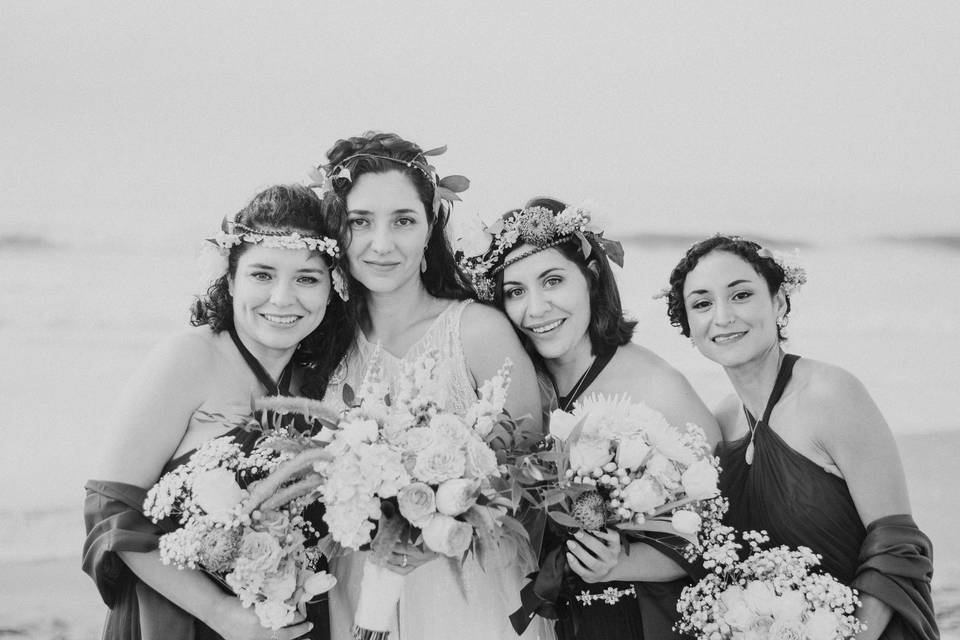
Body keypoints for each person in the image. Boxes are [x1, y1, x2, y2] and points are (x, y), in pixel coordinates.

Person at [82, 185, 351, 640]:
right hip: (179, 620)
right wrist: (221, 613)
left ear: (333, 287)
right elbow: (110, 509)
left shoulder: (319, 386)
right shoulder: (189, 358)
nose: (283, 298)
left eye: (307, 278)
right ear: (230, 281)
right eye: (262, 275)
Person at [315, 132, 551, 640]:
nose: (382, 244)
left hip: (469, 592)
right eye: (361, 222)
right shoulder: (324, 345)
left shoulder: (477, 331)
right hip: (358, 587)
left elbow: (529, 473)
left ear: (429, 230)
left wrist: (439, 520)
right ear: (338, 231)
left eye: (403, 220)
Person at [460, 197, 721, 639]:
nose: (536, 308)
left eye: (553, 280)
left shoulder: (657, 386)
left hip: (635, 620)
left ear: (592, 277)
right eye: (515, 292)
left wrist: (623, 560)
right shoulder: (515, 386)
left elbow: (715, 532)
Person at [661, 234, 938, 640]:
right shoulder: (719, 422)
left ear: (779, 302)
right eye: (702, 304)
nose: (722, 317)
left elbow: (898, 546)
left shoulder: (831, 393)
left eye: (740, 295)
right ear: (690, 328)